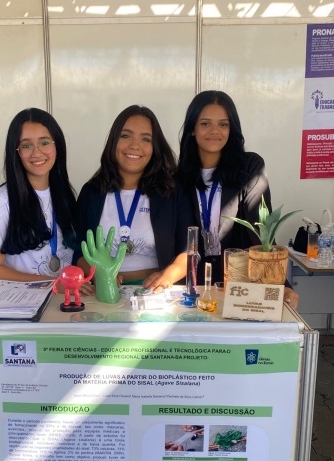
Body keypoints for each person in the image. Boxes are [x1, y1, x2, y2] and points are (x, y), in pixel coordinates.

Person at [176, 90, 298, 307]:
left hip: (240, 286)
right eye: (205, 123)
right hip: (192, 287)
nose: (215, 131)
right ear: (192, 129)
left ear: (231, 129)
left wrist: (281, 285)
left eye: (223, 124)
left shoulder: (249, 167)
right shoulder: (178, 178)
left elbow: (260, 230)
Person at [74, 105, 193, 291]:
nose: (135, 145)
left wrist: (168, 275)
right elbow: (79, 252)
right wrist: (100, 276)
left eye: (145, 139)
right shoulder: (92, 192)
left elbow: (189, 250)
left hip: (155, 292)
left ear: (155, 147)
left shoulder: (171, 192)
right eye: (126, 136)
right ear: (114, 141)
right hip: (103, 292)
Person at [0, 107, 91, 295]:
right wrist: (53, 284)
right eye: (26, 145)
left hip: (64, 301)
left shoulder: (64, 195)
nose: (36, 152)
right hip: (22, 304)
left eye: (44, 143)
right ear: (16, 152)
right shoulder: (1, 202)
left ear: (57, 146)